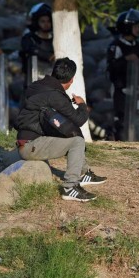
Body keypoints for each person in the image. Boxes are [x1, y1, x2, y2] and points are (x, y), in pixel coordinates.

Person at [15, 58, 106, 202]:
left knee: (68, 132)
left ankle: (85, 173)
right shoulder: (56, 96)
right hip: (31, 145)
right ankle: (70, 188)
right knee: (76, 142)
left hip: (26, 141)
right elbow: (79, 120)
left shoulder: (36, 86)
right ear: (71, 80)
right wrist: (82, 105)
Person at [107, 9, 139, 141]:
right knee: (122, 119)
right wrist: (125, 59)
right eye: (135, 26)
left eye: (138, 26)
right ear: (126, 27)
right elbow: (111, 67)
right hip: (122, 90)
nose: (138, 29)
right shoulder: (116, 46)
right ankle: (121, 141)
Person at [21, 3, 55, 84]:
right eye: (42, 21)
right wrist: (48, 56)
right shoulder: (29, 38)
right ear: (37, 22)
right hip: (33, 80)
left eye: (48, 21)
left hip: (52, 80)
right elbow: (29, 49)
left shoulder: (55, 39)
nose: (46, 24)